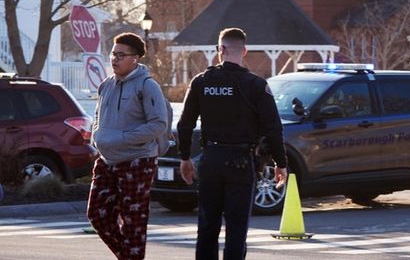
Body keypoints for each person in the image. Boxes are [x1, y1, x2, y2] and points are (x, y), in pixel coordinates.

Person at [178, 27, 287, 260]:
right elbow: (274, 128)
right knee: (236, 230)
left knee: (207, 227)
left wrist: (185, 157)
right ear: (244, 50)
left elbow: (185, 124)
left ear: (221, 50)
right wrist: (281, 163)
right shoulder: (256, 85)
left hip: (211, 159)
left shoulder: (201, 81)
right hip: (241, 162)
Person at [87, 32, 169, 260]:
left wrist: (122, 138)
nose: (115, 59)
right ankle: (127, 257)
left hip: (137, 160)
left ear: (136, 59)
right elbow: (97, 117)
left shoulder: (147, 85)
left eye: (121, 55)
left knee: (133, 222)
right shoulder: (106, 86)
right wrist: (98, 135)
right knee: (97, 215)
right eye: (113, 54)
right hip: (107, 160)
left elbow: (158, 125)